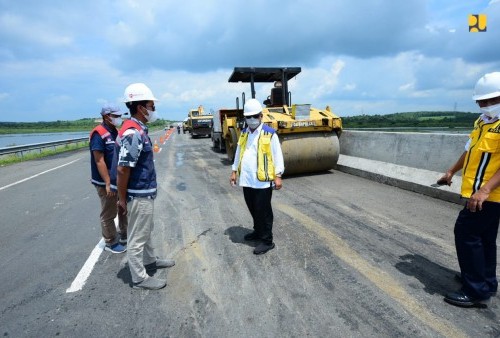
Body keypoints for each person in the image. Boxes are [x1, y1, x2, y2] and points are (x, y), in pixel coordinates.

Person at [440, 72, 500, 308]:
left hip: (490, 195)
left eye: (489, 100)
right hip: (477, 193)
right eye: (480, 101)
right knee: (484, 238)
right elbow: (470, 150)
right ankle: (485, 281)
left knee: (466, 234)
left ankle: (474, 289)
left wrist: (484, 191)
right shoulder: (483, 121)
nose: (483, 105)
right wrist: (451, 171)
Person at [111, 83, 175, 290]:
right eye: (151, 105)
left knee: (146, 230)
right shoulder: (133, 133)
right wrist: (121, 199)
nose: (153, 110)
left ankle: (149, 261)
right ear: (141, 108)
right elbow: (122, 169)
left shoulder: (138, 129)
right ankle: (139, 277)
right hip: (138, 193)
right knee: (138, 236)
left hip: (143, 191)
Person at [229, 98, 284, 255]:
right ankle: (258, 232)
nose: (251, 120)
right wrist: (234, 171)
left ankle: (267, 241)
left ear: (261, 116)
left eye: (255, 116)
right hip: (247, 179)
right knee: (252, 207)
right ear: (245, 118)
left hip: (262, 181)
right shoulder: (244, 133)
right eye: (248, 117)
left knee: (264, 211)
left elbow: (277, 156)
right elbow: (239, 152)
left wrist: (278, 175)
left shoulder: (270, 134)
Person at [89, 104, 127, 253]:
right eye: (116, 116)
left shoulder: (113, 131)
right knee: (108, 212)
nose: (119, 118)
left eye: (119, 116)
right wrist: (107, 183)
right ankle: (110, 242)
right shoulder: (99, 133)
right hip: (106, 182)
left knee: (122, 207)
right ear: (106, 117)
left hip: (116, 179)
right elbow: (99, 160)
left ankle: (124, 234)